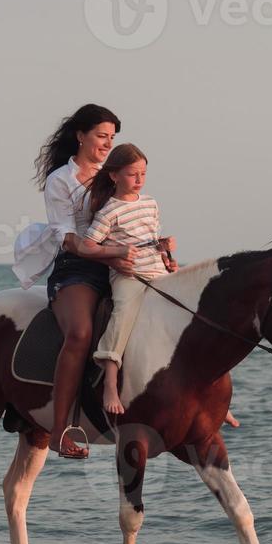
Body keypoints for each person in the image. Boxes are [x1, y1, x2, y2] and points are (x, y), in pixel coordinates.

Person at [12, 105, 136, 459]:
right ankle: (59, 429)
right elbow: (66, 237)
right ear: (80, 135)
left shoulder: (114, 174)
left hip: (117, 263)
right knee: (80, 333)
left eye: (112, 138)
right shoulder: (60, 181)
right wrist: (105, 251)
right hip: (76, 268)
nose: (106, 144)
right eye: (101, 136)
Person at [80, 145, 177, 415]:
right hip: (129, 276)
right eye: (133, 174)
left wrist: (165, 248)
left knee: (191, 309)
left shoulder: (150, 203)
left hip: (158, 272)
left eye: (143, 174)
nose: (139, 180)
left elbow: (152, 240)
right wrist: (117, 251)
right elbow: (87, 246)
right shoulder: (110, 211)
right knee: (122, 315)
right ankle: (110, 382)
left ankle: (204, 384)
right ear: (114, 176)